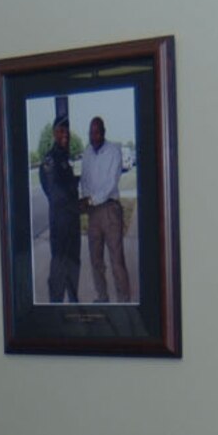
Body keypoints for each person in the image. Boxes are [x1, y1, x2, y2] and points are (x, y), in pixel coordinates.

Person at [79, 115, 133, 303]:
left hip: (110, 210)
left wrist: (92, 199)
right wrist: (85, 199)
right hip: (93, 213)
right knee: (96, 260)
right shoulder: (86, 152)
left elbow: (111, 183)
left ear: (103, 132)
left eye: (96, 132)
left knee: (116, 260)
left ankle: (124, 301)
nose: (92, 136)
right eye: (90, 132)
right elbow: (84, 179)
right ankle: (102, 297)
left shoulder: (114, 151)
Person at [39, 116, 81, 304]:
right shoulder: (50, 160)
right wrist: (76, 202)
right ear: (54, 133)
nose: (65, 134)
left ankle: (73, 300)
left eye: (67, 131)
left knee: (73, 262)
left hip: (72, 222)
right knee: (59, 265)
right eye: (61, 130)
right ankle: (55, 307)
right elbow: (55, 194)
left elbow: (68, 185)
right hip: (60, 224)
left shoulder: (64, 158)